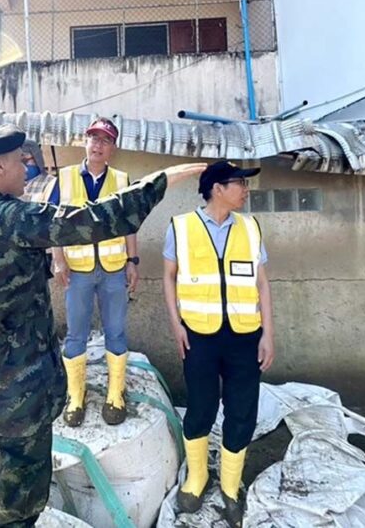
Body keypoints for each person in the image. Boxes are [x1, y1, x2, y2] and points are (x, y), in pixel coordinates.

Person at [0, 123, 206, 528]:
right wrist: (159, 182)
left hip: (7, 378)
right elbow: (85, 222)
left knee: (12, 485)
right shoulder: (4, 218)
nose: (26, 168)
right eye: (21, 161)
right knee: (18, 501)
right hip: (18, 386)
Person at [162, 160, 275, 526]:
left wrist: (268, 334)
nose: (245, 190)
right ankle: (197, 479)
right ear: (216, 188)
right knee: (200, 408)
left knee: (242, 412)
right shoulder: (180, 227)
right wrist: (176, 324)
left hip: (244, 337)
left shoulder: (251, 227)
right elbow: (168, 277)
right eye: (239, 183)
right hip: (199, 336)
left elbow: (262, 284)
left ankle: (229, 487)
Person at [46, 117, 138, 427]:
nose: (98, 145)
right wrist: (58, 259)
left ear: (113, 148)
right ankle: (76, 396)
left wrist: (133, 261)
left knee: (116, 331)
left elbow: (129, 225)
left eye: (105, 140)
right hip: (78, 271)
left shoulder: (123, 180)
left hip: (113, 270)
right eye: (93, 138)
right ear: (85, 142)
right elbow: (54, 223)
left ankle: (115, 394)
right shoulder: (67, 177)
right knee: (76, 335)